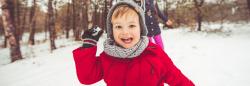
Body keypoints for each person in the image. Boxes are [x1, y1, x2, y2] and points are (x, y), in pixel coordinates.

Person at [72, 1, 193, 86]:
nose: (125, 32)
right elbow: (87, 77)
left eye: (131, 25)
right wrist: (88, 45)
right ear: (111, 31)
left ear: (141, 28)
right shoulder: (107, 57)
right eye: (118, 26)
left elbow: (178, 79)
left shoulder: (154, 53)